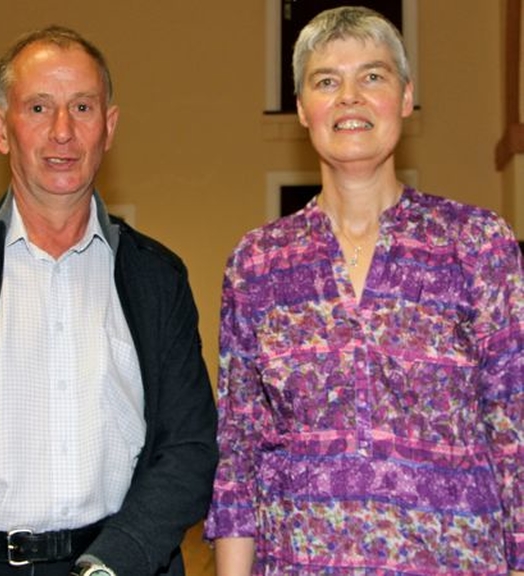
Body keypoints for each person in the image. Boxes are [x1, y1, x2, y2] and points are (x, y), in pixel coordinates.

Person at [0, 25, 218, 576]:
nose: (62, 131)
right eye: (38, 107)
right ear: (0, 128)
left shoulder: (158, 280)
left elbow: (188, 449)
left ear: (108, 128)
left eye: (82, 107)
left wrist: (111, 564)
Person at [205, 6, 523, 575]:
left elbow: (515, 426)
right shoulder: (258, 262)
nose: (350, 96)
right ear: (303, 109)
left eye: (372, 76)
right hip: (300, 560)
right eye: (327, 81)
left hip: (456, 560)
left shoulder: (477, 243)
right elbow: (239, 450)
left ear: (404, 97)